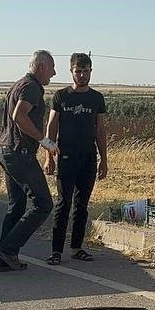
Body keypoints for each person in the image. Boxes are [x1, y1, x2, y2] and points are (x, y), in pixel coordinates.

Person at [0, 50, 58, 272]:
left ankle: (4, 260)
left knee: (17, 206)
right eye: (51, 69)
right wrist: (44, 140)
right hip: (18, 153)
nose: (54, 73)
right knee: (43, 204)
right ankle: (8, 249)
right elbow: (19, 116)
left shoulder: (18, 84)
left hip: (7, 150)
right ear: (41, 67)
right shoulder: (31, 88)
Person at [44, 53, 108, 265]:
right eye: (78, 71)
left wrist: (104, 159)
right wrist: (49, 156)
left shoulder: (97, 98)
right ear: (71, 72)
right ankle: (56, 251)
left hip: (88, 157)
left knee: (82, 204)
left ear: (91, 71)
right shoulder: (62, 96)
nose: (82, 75)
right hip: (66, 156)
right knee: (63, 203)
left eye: (85, 71)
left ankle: (76, 247)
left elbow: (100, 130)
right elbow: (51, 126)